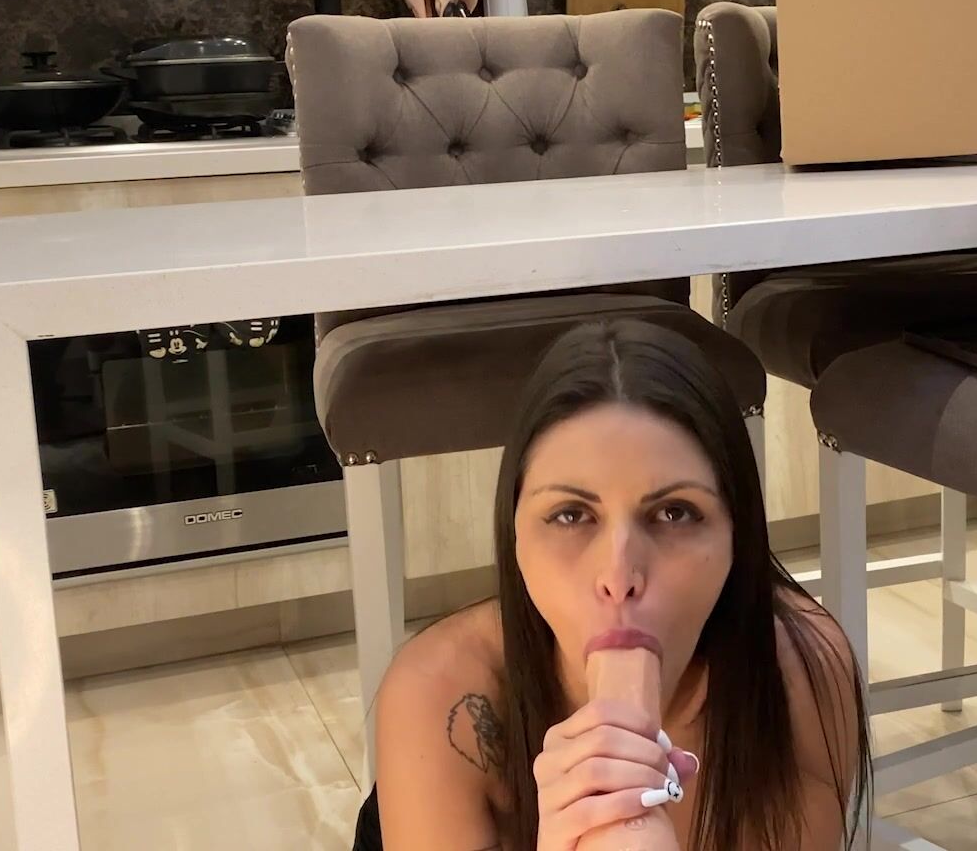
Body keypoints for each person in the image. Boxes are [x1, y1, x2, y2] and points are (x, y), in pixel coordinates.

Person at [357, 319, 872, 850]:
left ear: (737, 536)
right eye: (571, 515)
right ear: (515, 540)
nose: (619, 577)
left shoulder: (804, 677)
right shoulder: (443, 697)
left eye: (674, 513)